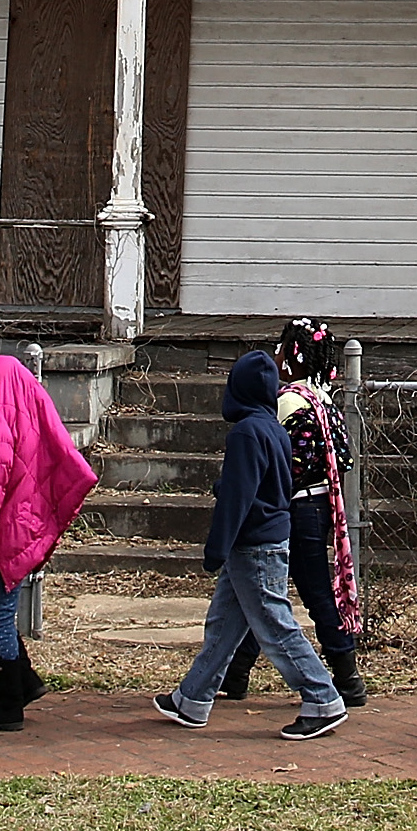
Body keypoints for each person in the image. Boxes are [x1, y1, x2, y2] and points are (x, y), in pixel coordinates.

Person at [152, 349, 346, 740]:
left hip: (253, 543)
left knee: (274, 624)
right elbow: (270, 485)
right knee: (224, 623)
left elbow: (238, 496)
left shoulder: (245, 432)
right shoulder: (273, 427)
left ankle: (323, 698)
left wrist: (215, 548)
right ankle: (192, 699)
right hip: (268, 536)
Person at [0, 350, 100, 732]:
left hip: (7, 529)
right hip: (22, 517)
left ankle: (9, 701)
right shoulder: (13, 397)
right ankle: (25, 681)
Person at [221, 316, 366, 708]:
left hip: (294, 506)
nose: (277, 356)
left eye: (282, 349)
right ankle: (236, 671)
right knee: (262, 591)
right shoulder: (325, 402)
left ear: (295, 356)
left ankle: (345, 677)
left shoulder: (287, 403)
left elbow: (274, 458)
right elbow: (343, 459)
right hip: (317, 506)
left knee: (305, 591)